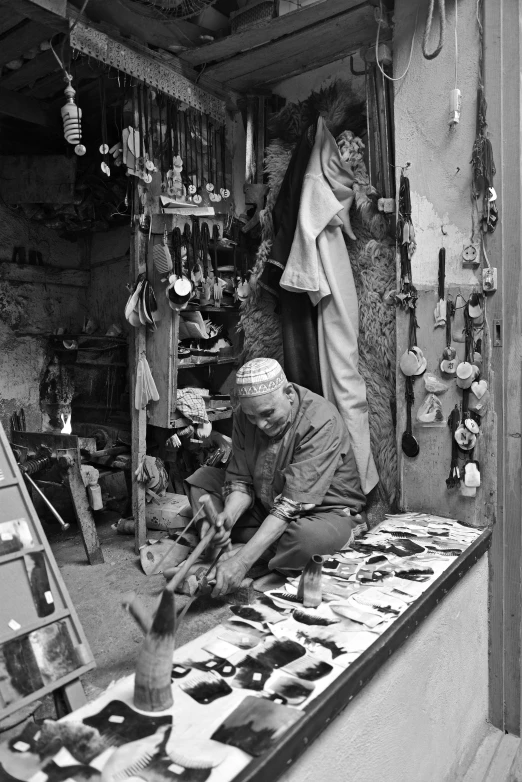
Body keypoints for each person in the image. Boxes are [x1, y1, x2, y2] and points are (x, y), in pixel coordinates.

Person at [185, 357, 367, 597]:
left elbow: (291, 505)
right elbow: (240, 480)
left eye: (267, 413)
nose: (260, 424)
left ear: (289, 393)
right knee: (203, 479)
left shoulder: (321, 420)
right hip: (267, 502)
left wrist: (241, 562)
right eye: (252, 417)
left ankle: (248, 553)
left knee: (307, 542)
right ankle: (244, 546)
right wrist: (227, 517)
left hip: (322, 513)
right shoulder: (244, 415)